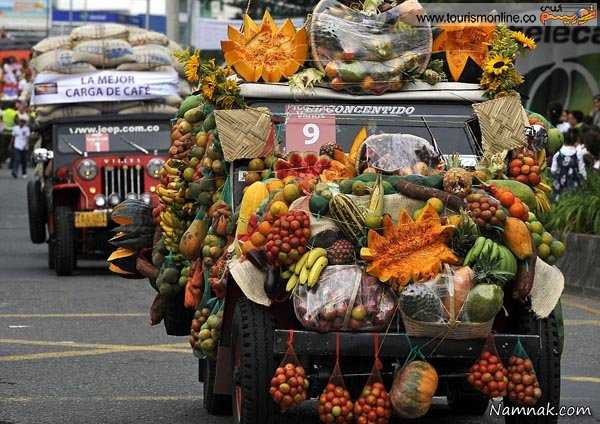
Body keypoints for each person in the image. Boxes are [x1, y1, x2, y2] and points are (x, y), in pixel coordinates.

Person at [551, 128, 587, 200]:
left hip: (559, 187)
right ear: (576, 140)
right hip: (573, 187)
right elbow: (582, 171)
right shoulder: (578, 154)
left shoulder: (558, 154)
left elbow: (553, 170)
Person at [0, 102, 17, 168]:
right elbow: (16, 122)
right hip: (12, 133)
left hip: (3, 132)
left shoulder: (3, 112)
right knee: (12, 147)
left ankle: (2, 160)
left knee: (2, 147)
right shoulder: (15, 113)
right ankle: (11, 163)